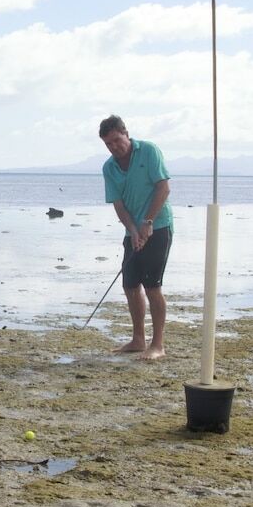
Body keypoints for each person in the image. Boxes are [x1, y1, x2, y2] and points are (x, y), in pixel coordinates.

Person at [98, 114, 173, 360]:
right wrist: (132, 230)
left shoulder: (149, 151)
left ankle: (158, 345)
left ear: (126, 134)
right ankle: (138, 339)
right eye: (108, 144)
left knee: (152, 286)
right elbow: (118, 204)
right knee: (130, 285)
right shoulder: (109, 167)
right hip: (133, 230)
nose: (114, 147)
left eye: (117, 140)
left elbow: (163, 187)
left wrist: (147, 222)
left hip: (159, 226)